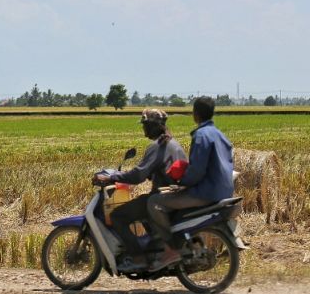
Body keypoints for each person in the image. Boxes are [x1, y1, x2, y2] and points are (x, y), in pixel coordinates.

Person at [146, 96, 234, 271]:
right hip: (224, 190)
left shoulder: (201, 135)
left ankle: (170, 250)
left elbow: (197, 170)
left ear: (195, 114)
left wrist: (181, 182)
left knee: (154, 202)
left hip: (205, 192)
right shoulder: (220, 135)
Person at [95, 109, 187, 272]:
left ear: (153, 126)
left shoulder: (157, 146)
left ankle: (138, 258)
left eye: (145, 125)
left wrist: (112, 177)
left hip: (161, 197)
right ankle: (152, 250)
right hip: (175, 196)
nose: (143, 129)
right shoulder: (173, 144)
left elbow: (138, 175)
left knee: (118, 216)